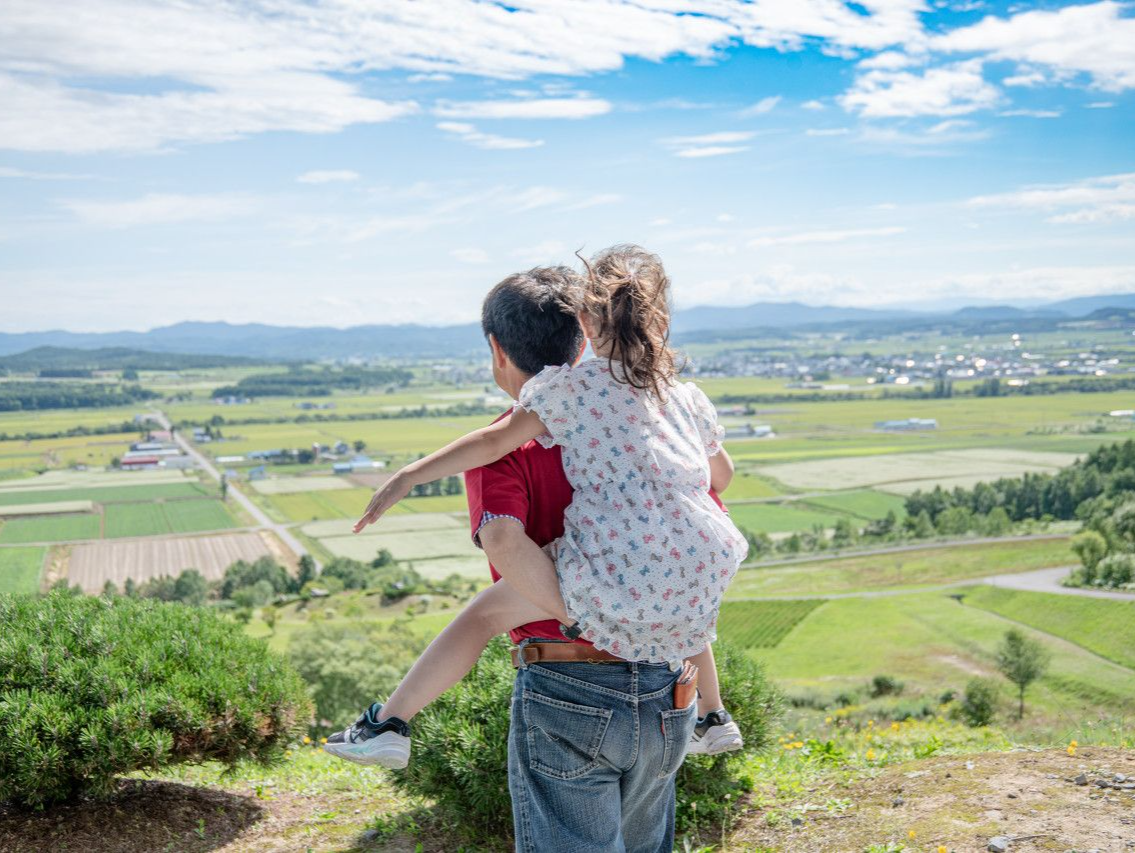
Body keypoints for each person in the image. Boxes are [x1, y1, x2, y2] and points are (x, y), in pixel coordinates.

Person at [326, 251, 746, 847]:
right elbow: (714, 485)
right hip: (667, 682)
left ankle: (389, 722)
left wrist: (580, 612)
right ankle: (714, 714)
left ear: (498, 349)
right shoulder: (667, 409)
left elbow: (500, 529)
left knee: (482, 614)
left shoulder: (543, 417)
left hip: (569, 683)